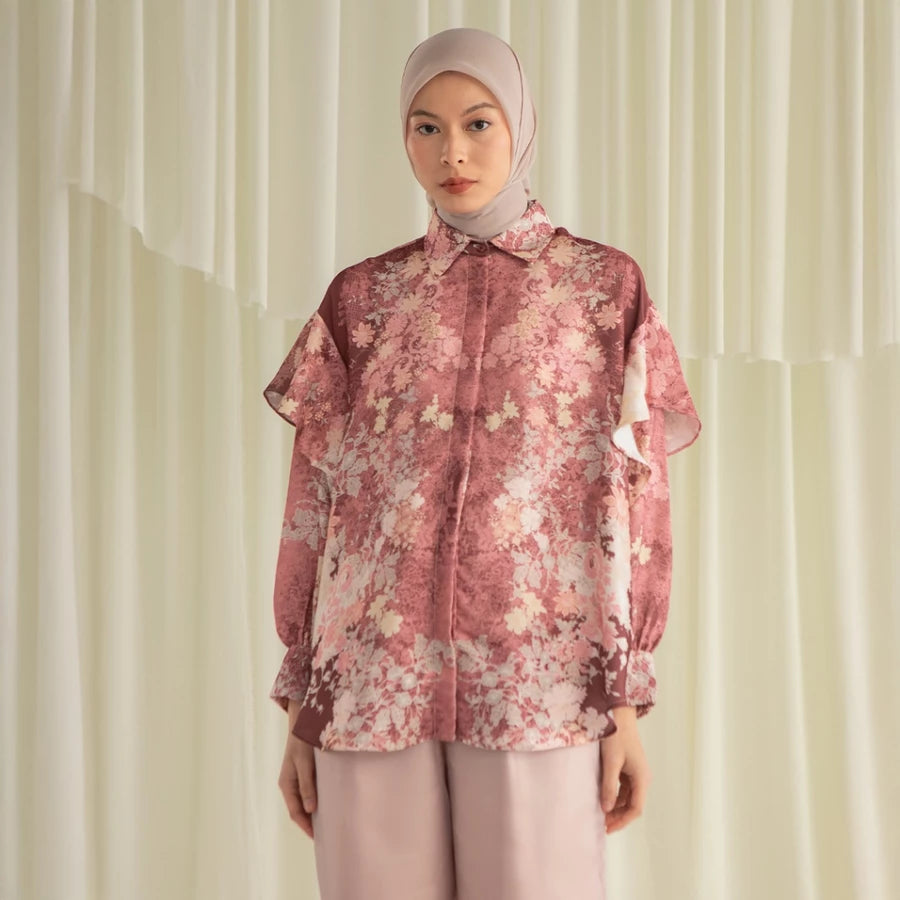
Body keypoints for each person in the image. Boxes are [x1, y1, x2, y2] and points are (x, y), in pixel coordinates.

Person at [264, 27, 700, 900]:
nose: (451, 152)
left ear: (520, 126)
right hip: (370, 688)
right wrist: (305, 708)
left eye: (477, 123)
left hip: (540, 684)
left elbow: (636, 506)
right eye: (426, 128)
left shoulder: (602, 290)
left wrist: (622, 703)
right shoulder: (364, 299)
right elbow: (316, 508)